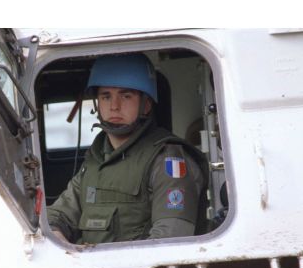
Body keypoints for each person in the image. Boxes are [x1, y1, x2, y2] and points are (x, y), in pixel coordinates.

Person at [47, 53, 206, 245]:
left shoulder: (167, 159)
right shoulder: (96, 159)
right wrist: (55, 233)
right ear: (97, 104)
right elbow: (59, 214)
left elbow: (170, 241)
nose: (114, 106)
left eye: (126, 96)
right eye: (106, 96)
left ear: (146, 105)